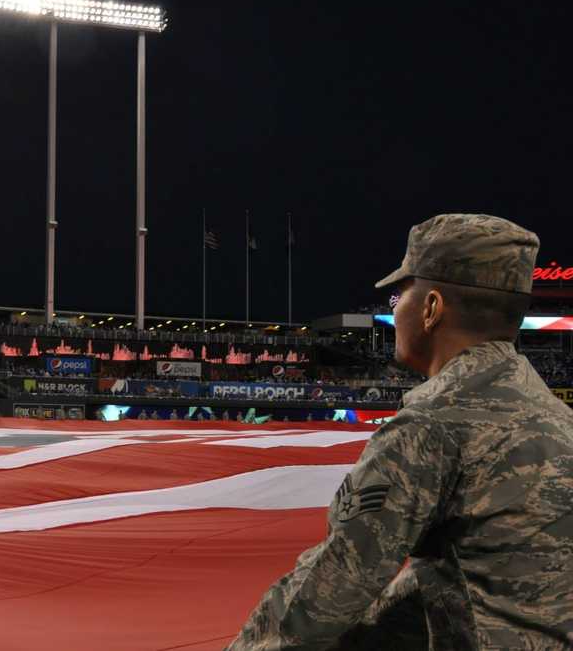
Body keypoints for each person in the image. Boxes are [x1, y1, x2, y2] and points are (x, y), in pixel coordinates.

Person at [229, 214, 573, 649]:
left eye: (400, 295)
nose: (395, 308)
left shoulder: (432, 424)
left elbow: (326, 594)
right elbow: (454, 577)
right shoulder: (553, 414)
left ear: (431, 308)